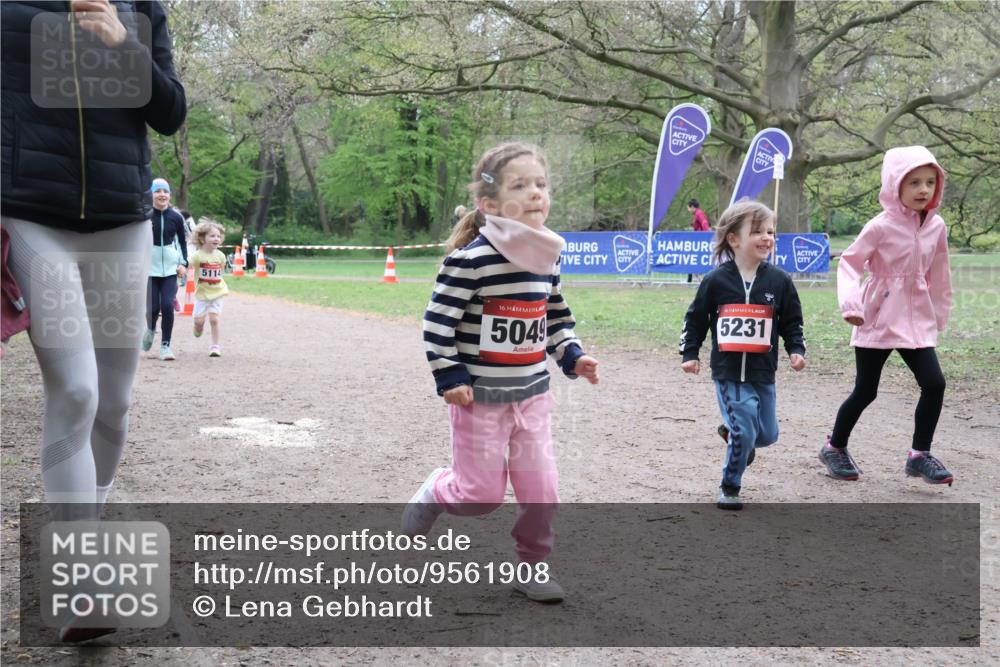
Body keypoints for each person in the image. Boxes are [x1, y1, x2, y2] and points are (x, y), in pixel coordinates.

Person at [1, 0, 185, 641]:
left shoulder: (141, 8)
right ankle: (84, 585)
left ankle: (91, 524)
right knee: (75, 390)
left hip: (121, 219)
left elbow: (171, 111)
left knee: (114, 402)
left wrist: (121, 45)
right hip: (30, 212)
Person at [403, 142, 600, 603]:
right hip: (479, 401)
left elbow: (554, 317)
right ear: (488, 204)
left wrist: (572, 355)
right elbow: (437, 324)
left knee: (543, 491)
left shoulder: (547, 256)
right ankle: (436, 490)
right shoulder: (469, 262)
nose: (535, 194)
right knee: (479, 498)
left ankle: (531, 567)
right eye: (520, 185)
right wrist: (450, 377)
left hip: (532, 396)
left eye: (541, 184)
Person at [819, 146, 954, 485]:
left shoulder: (937, 226)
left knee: (934, 384)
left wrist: (939, 313)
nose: (923, 190)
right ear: (895, 185)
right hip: (876, 317)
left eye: (929, 182)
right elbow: (849, 264)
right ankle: (834, 447)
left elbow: (940, 271)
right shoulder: (880, 226)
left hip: (916, 319)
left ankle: (919, 455)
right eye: (913, 183)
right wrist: (852, 306)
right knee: (866, 391)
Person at [680, 201, 806, 510]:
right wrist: (690, 352)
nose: (767, 237)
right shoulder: (715, 281)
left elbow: (792, 320)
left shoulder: (779, 281)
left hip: (764, 371)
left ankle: (733, 433)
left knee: (767, 434)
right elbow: (695, 319)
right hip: (729, 371)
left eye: (771, 231)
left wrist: (796, 349)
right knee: (745, 429)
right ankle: (730, 485)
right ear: (734, 239)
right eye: (758, 231)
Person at [142, 178, 187, 360]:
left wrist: (183, 263)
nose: (162, 194)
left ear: (169, 195)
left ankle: (166, 345)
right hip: (148, 269)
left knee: (167, 305)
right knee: (152, 309)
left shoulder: (176, 217)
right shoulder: (144, 215)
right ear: (151, 194)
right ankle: (151, 329)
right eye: (158, 191)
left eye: (165, 191)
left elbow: (182, 242)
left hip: (170, 269)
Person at [188, 220, 229, 357]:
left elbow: (221, 271)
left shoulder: (221, 256)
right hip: (202, 294)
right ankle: (197, 327)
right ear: (202, 238)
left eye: (218, 236)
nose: (216, 239)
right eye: (212, 236)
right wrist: (181, 270)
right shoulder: (197, 256)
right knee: (199, 321)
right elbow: (187, 265)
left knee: (214, 319)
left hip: (217, 292)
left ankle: (215, 346)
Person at [686, 199, 711, 283]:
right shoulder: (696, 214)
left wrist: (707, 236)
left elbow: (704, 223)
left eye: (688, 207)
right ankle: (696, 280)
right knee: (693, 259)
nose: (687, 209)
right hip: (698, 239)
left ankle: (700, 281)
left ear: (692, 207)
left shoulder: (699, 213)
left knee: (697, 260)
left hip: (701, 240)